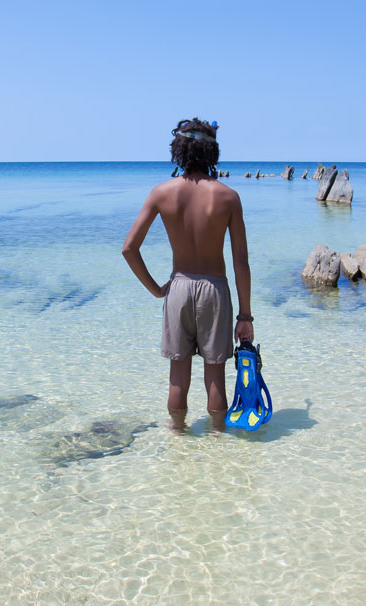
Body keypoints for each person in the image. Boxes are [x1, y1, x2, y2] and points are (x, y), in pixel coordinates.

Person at [122, 118, 253, 433]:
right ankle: (217, 438)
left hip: (178, 288)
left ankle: (177, 436)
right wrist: (245, 315)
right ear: (212, 154)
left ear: (178, 151)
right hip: (215, 291)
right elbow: (241, 261)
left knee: (178, 375)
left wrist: (157, 290)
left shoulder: (162, 192)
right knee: (215, 375)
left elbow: (129, 249)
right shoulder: (228, 196)